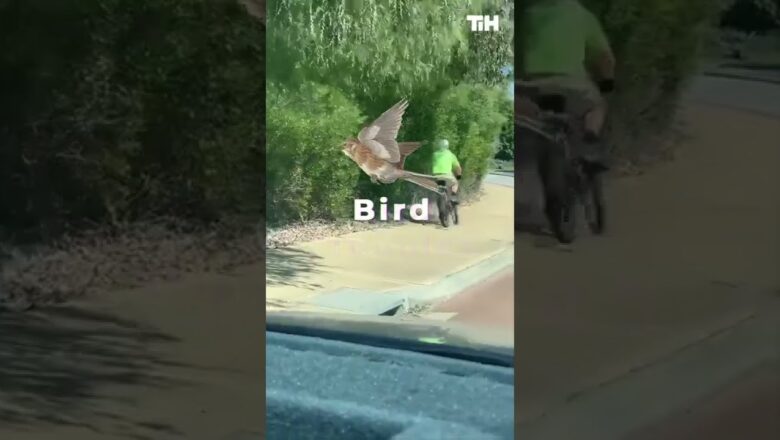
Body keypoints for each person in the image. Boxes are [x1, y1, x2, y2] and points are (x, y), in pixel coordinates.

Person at [521, 0, 615, 145]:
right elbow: (605, 59)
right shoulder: (583, 15)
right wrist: (606, 83)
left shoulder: (529, 14)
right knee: (598, 106)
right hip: (571, 86)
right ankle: (588, 145)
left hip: (532, 86)